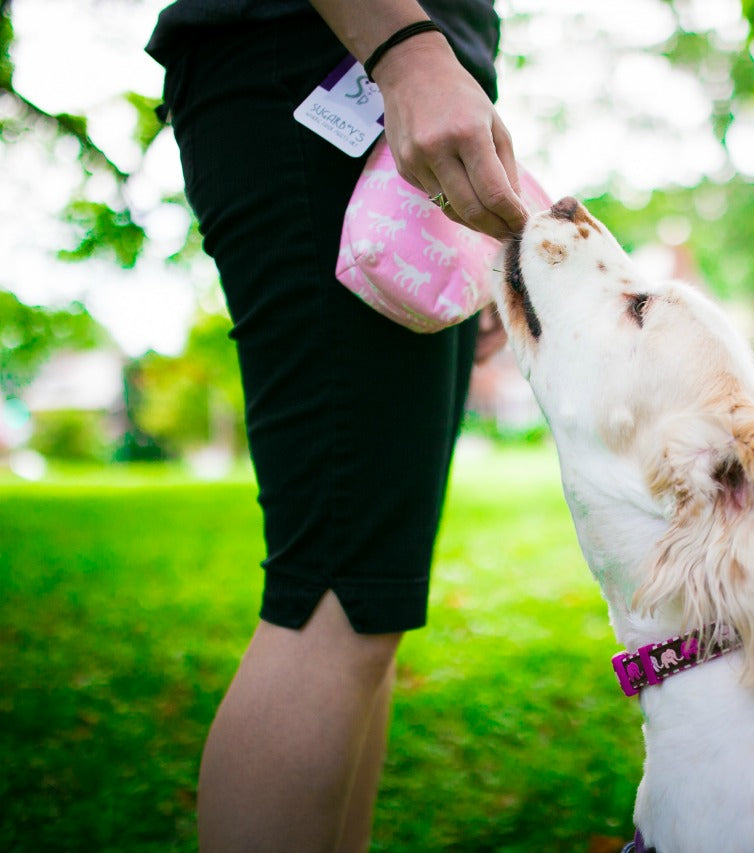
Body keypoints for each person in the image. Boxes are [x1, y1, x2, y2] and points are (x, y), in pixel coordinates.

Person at [146, 1, 525, 849]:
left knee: (366, 599)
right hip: (328, 64)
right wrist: (407, 51)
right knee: (333, 592)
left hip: (370, 88)